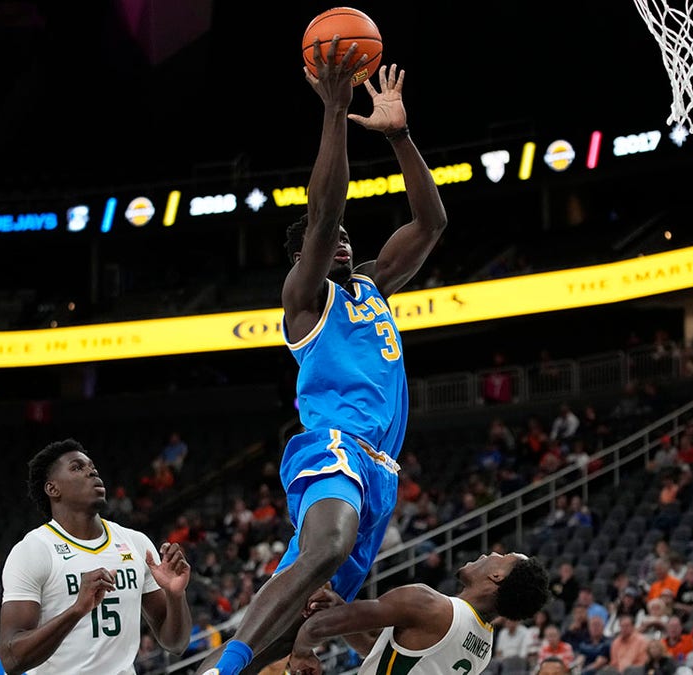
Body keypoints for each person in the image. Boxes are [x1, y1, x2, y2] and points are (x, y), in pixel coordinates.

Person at [202, 39, 448, 675]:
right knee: (329, 546)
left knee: (306, 618)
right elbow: (323, 210)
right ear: (304, 257)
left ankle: (238, 665)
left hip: (380, 470)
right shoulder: (305, 299)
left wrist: (400, 137)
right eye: (329, 239)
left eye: (346, 238)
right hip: (332, 444)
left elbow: (430, 223)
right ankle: (221, 668)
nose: (341, 239)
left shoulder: (371, 284)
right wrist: (335, 111)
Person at [0, 439, 194, 674]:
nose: (91, 471)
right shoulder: (33, 550)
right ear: (52, 489)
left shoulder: (136, 543)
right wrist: (77, 610)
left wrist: (175, 595)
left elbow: (176, 643)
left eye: (92, 466)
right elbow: (12, 660)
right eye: (77, 467)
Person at [285, 552, 550, 675]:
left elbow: (315, 628)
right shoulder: (483, 645)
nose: (488, 553)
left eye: (500, 556)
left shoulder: (427, 604)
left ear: (497, 575)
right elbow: (381, 651)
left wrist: (302, 653)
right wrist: (340, 609)